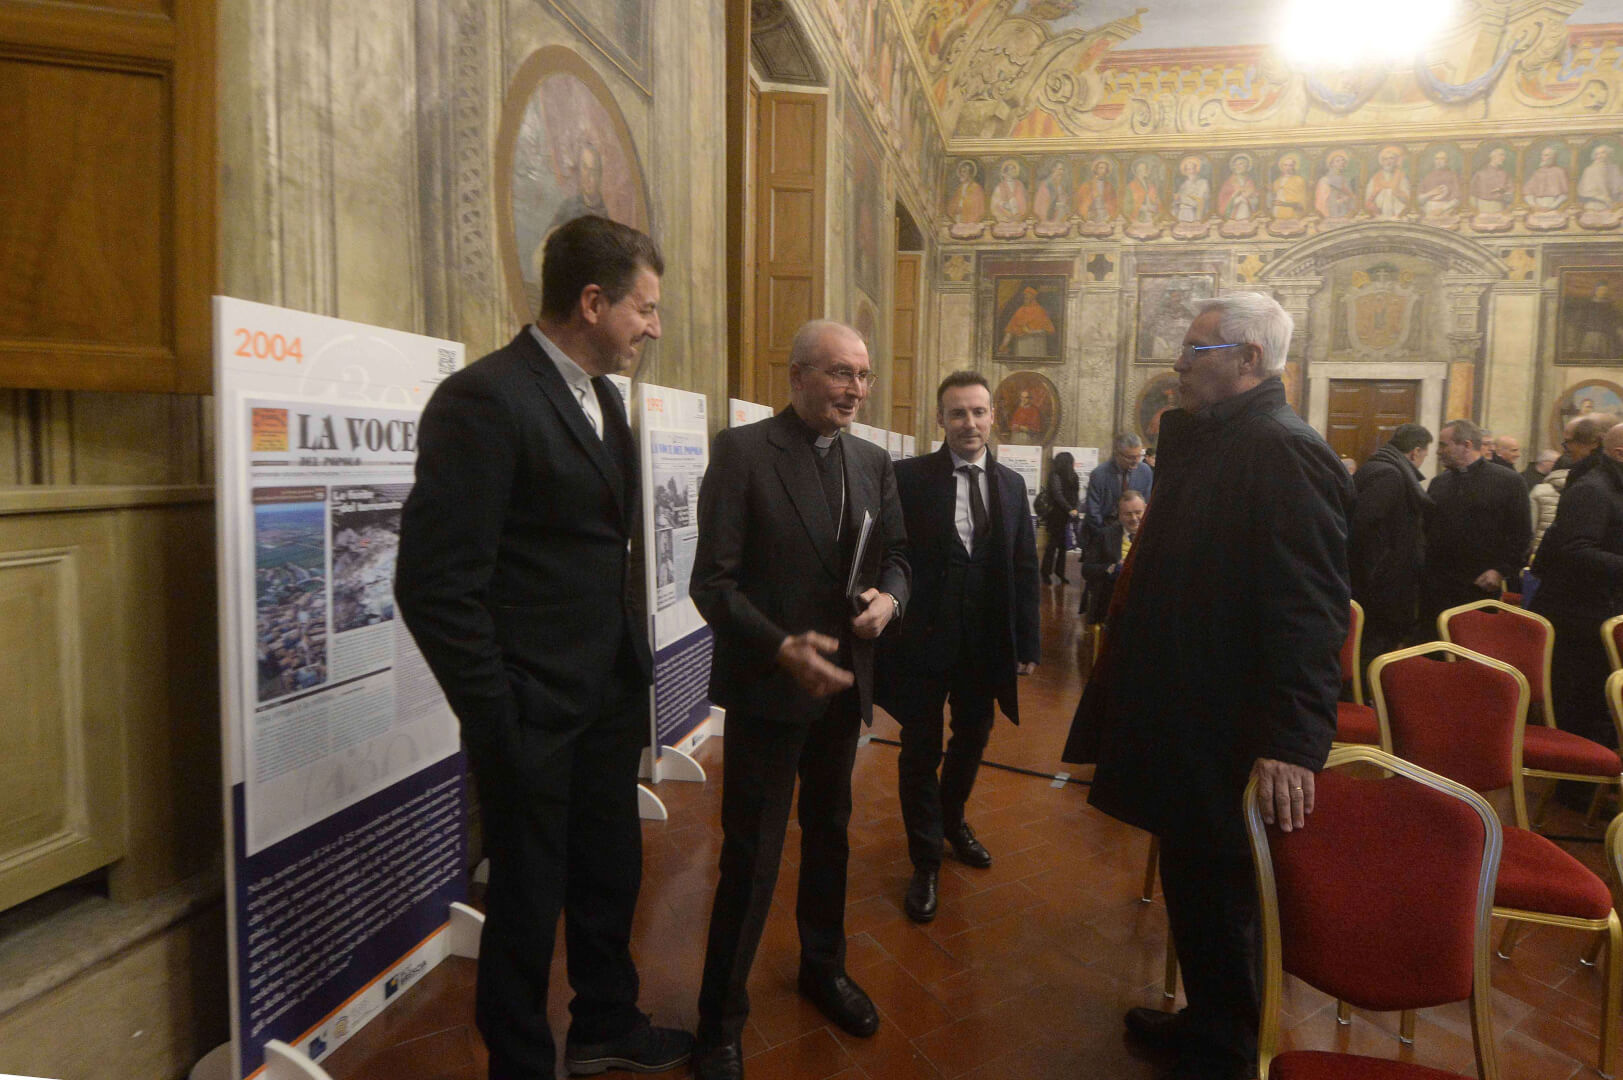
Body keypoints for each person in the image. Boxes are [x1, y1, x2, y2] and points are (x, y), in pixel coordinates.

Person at [395, 215, 691, 1080]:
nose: (654, 328)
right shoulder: (485, 399)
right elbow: (434, 587)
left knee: (609, 873)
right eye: (644, 308)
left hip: (604, 696)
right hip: (531, 713)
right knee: (525, 903)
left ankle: (604, 1023)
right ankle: (520, 1064)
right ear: (592, 302)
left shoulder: (603, 398)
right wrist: (500, 716)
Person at [1063, 292, 1352, 1080]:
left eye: (1193, 350)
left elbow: (1310, 611)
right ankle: (1208, 1022)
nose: (1176, 364)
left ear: (1246, 359)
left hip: (1227, 724)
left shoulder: (1283, 450)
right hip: (1186, 710)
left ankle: (1226, 1052)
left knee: (1225, 897)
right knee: (1192, 882)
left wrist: (1291, 742)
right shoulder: (1219, 439)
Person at [688, 320, 910, 1080]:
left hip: (844, 688)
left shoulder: (872, 461)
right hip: (769, 691)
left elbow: (898, 555)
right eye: (841, 373)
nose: (856, 389)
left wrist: (891, 601)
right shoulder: (743, 452)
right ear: (797, 375)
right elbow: (712, 584)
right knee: (751, 856)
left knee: (830, 835)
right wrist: (779, 646)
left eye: (864, 375)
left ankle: (824, 968)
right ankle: (719, 1021)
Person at [877, 371, 1040, 925]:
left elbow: (1023, 565)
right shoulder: (909, 478)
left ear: (993, 416)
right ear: (940, 420)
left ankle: (951, 819)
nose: (969, 423)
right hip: (922, 642)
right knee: (920, 749)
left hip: (983, 643)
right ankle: (925, 860)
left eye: (978, 411)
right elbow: (891, 552)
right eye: (957, 413)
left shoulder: (1011, 485)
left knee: (973, 736)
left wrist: (1027, 639)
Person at [1528, 423, 1623, 747]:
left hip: (1602, 609)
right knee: (1583, 709)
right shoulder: (1592, 489)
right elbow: (1575, 551)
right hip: (1581, 617)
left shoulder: (1611, 486)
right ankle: (1579, 774)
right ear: (1619, 453)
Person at [1419, 418, 1533, 628]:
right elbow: (1427, 530)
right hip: (1436, 586)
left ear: (1467, 445)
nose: (1438, 452)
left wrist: (1500, 571)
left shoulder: (1508, 481)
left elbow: (1522, 535)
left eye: (1444, 445)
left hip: (1479, 585)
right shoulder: (1439, 482)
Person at [1349, 424, 1433, 663]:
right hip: (1381, 587)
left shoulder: (1380, 467)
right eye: (1425, 455)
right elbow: (1364, 527)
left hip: (1379, 581)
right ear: (1415, 452)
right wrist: (1380, 572)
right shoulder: (1389, 474)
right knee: (1375, 650)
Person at [1532, 413, 1615, 558]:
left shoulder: (1589, 485)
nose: (1566, 449)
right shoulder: (1588, 477)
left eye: (1569, 442)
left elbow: (1576, 545)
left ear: (1595, 442)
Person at [1080, 490, 1145, 625]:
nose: (1134, 518)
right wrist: (1111, 568)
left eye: (1138, 512)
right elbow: (1086, 570)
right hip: (1111, 603)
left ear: (1145, 510)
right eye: (1128, 514)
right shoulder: (1104, 535)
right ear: (1119, 515)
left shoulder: (1155, 537)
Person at [1082, 433, 1154, 547]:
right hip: (1102, 533)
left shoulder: (1145, 472)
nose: (1136, 460)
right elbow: (1093, 511)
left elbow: (1146, 505)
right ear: (1117, 454)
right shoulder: (1099, 474)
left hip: (1133, 536)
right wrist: (1107, 537)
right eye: (1130, 457)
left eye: (1139, 456)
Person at [1042, 450, 1081, 583]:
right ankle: (1045, 573)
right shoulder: (1056, 475)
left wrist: (1075, 509)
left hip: (1066, 515)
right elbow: (1057, 494)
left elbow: (1075, 494)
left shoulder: (1072, 476)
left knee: (1063, 546)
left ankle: (1059, 572)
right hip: (1056, 515)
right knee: (1052, 545)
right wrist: (1070, 509)